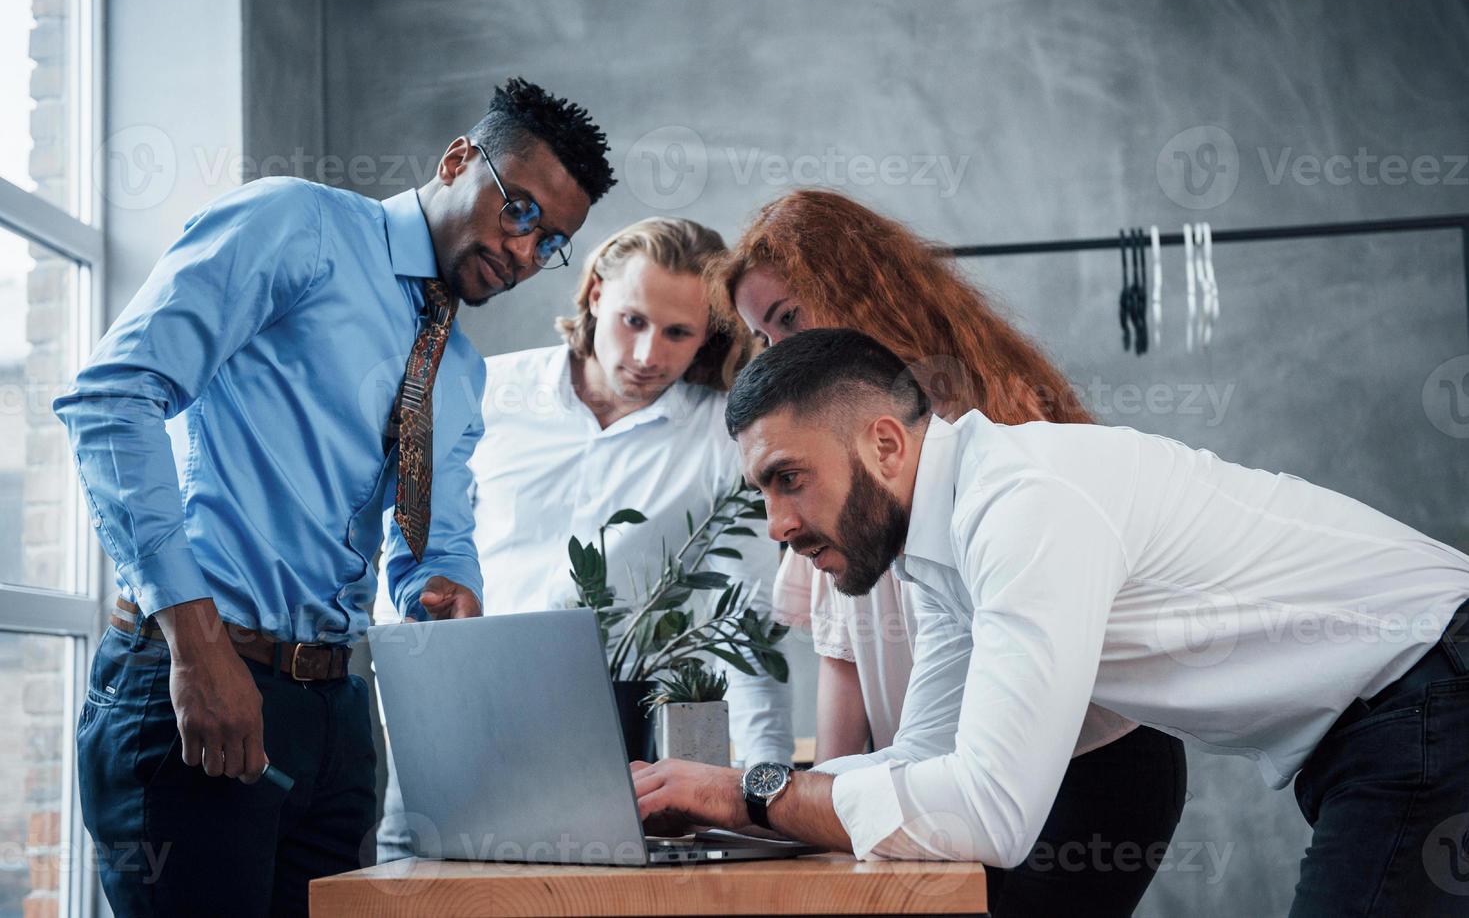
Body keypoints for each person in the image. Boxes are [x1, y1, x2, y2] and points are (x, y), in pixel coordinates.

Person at [634, 328, 1469, 917]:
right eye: (763, 493)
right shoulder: (945, 540)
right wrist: (724, 800)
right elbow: (927, 759)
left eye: (789, 478)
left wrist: (746, 793)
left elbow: (988, 814)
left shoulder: (1023, 506)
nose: (776, 524)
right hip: (1395, 709)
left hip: (1428, 681)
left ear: (884, 444)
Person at [54, 78, 615, 917]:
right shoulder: (294, 226)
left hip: (336, 719)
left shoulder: (457, 372)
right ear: (458, 159)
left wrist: (440, 589)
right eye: (521, 212)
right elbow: (112, 398)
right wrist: (198, 645)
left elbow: (432, 544)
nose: (527, 252)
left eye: (553, 242)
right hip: (198, 677)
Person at [707, 189, 1180, 915]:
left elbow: (994, 776)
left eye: (789, 319)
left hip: (1070, 765)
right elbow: (843, 656)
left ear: (857, 289)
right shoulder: (820, 468)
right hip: (930, 771)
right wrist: (822, 822)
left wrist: (781, 802)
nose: (783, 352)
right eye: (764, 339)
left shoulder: (996, 448)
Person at [374, 217, 793, 861]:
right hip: (454, 728)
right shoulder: (484, 391)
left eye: (679, 332)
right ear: (596, 293)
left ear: (709, 333)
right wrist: (405, 709)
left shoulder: (722, 437)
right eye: (634, 320)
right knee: (408, 902)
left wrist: (769, 794)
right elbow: (408, 548)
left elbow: (751, 623)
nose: (649, 354)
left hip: (614, 748)